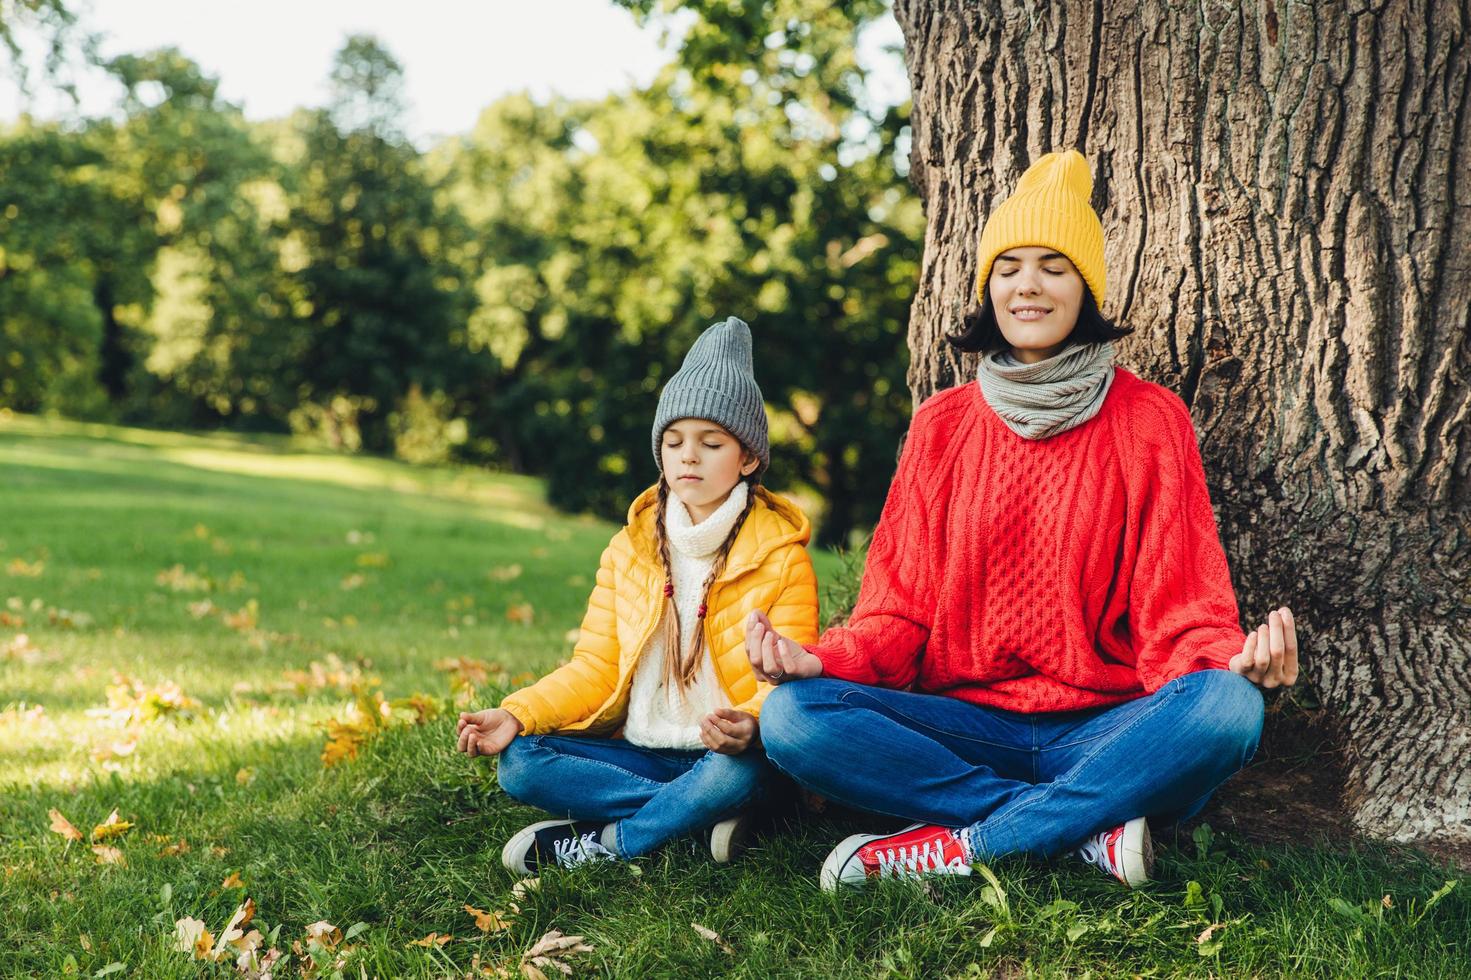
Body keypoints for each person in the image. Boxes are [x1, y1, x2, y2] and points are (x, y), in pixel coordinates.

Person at [744, 150, 1300, 891]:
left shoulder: (1148, 419)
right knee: (792, 718)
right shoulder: (941, 426)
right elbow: (899, 614)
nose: (1027, 285)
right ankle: (1074, 830)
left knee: (1226, 711)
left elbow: (1183, 611)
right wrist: (825, 662)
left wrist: (1232, 666)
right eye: (1007, 266)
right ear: (986, 286)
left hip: (1107, 731)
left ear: (1085, 290)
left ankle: (963, 844)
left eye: (1052, 266)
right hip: (963, 731)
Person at [456, 316, 819, 873]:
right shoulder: (629, 551)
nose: (688, 456)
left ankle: (610, 844)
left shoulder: (781, 557)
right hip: (637, 755)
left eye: (710, 442)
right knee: (521, 763)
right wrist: (517, 713)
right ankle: (698, 821)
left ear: (747, 458)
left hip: (727, 758)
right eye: (673, 442)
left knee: (738, 774)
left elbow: (787, 687)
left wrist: (749, 724)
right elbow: (595, 668)